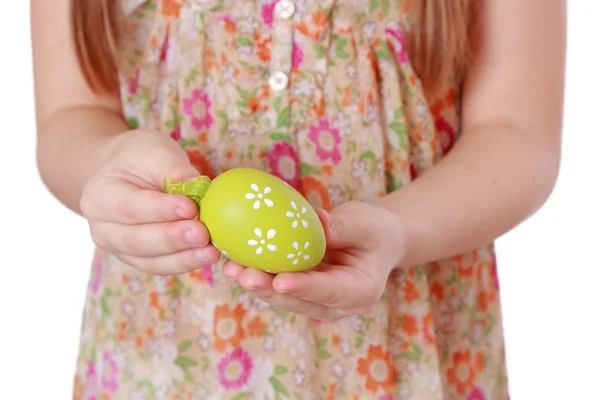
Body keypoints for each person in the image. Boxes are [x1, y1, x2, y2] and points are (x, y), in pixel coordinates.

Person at [31, 0, 566, 399]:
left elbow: (517, 133)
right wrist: (105, 166)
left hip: (403, 345)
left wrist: (397, 231)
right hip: (161, 352)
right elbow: (68, 117)